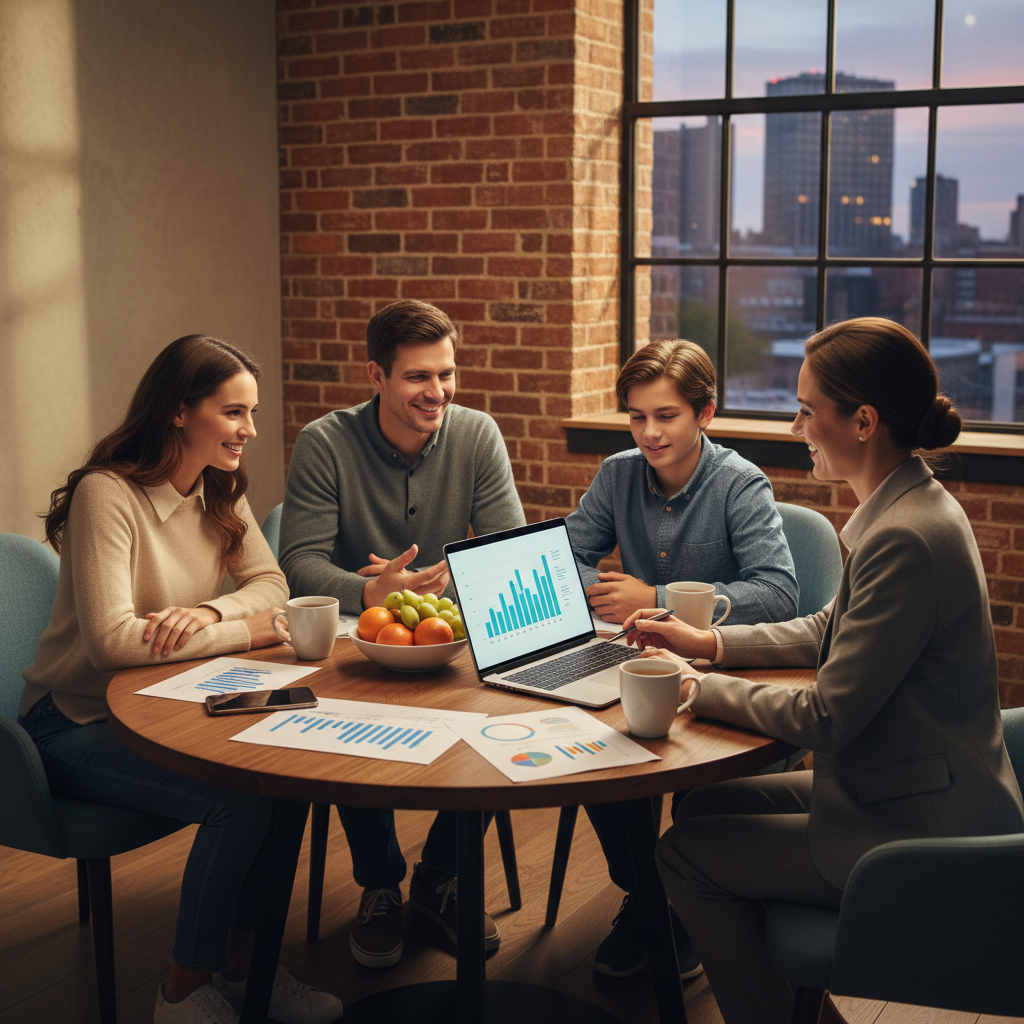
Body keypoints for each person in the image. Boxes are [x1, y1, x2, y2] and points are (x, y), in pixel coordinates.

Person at [621, 317, 1024, 1024]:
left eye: (807, 410)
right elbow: (824, 628)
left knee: (683, 856)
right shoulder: (908, 508)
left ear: (863, 422)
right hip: (907, 782)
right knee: (703, 807)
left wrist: (695, 687)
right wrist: (706, 642)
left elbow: (827, 716)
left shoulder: (905, 537)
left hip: (919, 825)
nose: (795, 426)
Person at [19, 335, 343, 1024]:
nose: (249, 430)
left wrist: (210, 611)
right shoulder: (105, 494)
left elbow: (272, 583)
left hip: (164, 700)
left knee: (279, 777)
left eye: (251, 413)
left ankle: (247, 967)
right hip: (71, 722)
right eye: (233, 412)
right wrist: (246, 631)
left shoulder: (218, 487)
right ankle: (181, 990)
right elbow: (112, 643)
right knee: (240, 803)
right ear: (177, 410)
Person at [279, 299, 525, 968]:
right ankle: (381, 884)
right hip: (355, 643)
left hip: (447, 635)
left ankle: (440, 876)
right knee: (343, 717)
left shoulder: (477, 434)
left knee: (506, 708)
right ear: (377, 376)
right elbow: (297, 562)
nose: (437, 391)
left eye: (446, 373)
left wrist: (459, 599)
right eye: (418, 376)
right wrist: (370, 591)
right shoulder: (325, 442)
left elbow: (505, 551)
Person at [564, 338, 799, 979]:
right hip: (640, 663)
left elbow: (779, 592)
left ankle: (685, 902)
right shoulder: (618, 474)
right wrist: (601, 590)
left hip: (721, 672)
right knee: (591, 747)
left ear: (705, 413)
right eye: (637, 416)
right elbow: (567, 554)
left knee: (693, 780)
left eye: (666, 415)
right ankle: (649, 895)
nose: (650, 433)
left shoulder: (739, 482)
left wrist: (654, 597)